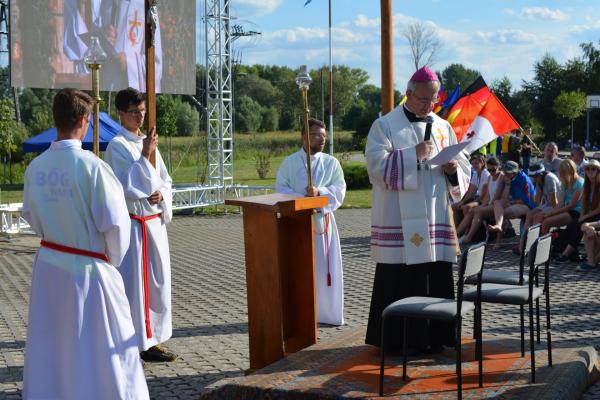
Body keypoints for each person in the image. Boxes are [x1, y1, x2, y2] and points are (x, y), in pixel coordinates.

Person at [21, 89, 149, 399]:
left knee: (53, 346)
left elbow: (31, 216)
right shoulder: (93, 167)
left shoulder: (35, 168)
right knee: (103, 351)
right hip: (89, 270)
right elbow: (116, 224)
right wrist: (111, 259)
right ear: (84, 120)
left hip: (49, 267)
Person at [364, 66, 471, 353]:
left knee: (434, 274)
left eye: (434, 100)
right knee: (399, 278)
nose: (430, 105)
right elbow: (375, 168)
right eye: (425, 100)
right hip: (398, 220)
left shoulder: (442, 126)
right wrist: (413, 155)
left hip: (435, 214)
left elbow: (463, 168)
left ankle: (436, 337)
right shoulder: (385, 125)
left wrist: (452, 169)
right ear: (408, 94)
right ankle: (399, 341)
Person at [104, 87, 175, 361]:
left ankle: (154, 337)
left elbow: (165, 180)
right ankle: (136, 341)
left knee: (158, 284)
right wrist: (145, 154)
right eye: (134, 112)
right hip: (135, 226)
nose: (140, 116)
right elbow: (124, 184)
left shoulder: (149, 142)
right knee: (137, 287)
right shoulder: (117, 146)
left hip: (154, 223)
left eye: (142, 111)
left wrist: (162, 194)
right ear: (121, 114)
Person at [275, 118, 346, 326]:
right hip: (297, 223)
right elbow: (281, 187)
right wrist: (301, 199)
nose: (321, 139)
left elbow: (339, 189)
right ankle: (298, 313)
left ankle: (326, 313)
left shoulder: (331, 163)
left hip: (322, 221)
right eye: (316, 135)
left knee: (325, 268)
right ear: (303, 136)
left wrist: (319, 193)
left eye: (324, 135)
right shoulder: (289, 163)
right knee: (300, 267)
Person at [63, 0, 162, 91]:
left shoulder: (146, 7)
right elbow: (90, 49)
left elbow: (156, 66)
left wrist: (128, 62)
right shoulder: (106, 4)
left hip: (133, 90)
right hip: (107, 86)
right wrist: (102, 36)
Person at [555, 159, 600, 262]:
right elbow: (584, 205)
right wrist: (582, 216)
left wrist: (584, 217)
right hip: (590, 214)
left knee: (580, 224)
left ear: (598, 171)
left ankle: (566, 254)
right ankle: (571, 252)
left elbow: (598, 209)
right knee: (574, 224)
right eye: (588, 169)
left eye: (594, 169)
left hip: (597, 215)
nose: (590, 171)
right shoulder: (587, 185)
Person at [487, 161, 537, 249]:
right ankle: (498, 225)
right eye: (504, 172)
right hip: (513, 203)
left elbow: (524, 200)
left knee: (501, 213)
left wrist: (511, 203)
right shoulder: (506, 179)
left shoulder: (524, 179)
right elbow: (504, 198)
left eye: (507, 172)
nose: (505, 174)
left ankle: (499, 238)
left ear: (514, 172)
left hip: (528, 206)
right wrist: (507, 185)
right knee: (497, 203)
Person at [457, 156, 503, 244]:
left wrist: (482, 205)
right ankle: (456, 235)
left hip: (497, 205)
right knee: (471, 210)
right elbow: (488, 196)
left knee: (475, 211)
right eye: (489, 170)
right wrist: (482, 205)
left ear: (498, 166)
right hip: (489, 203)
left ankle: (468, 237)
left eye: (493, 170)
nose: (491, 172)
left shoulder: (500, 176)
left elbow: (495, 196)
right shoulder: (490, 177)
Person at [534, 159, 583, 235]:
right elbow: (560, 203)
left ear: (569, 172)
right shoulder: (566, 182)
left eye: (562, 173)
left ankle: (541, 244)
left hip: (576, 212)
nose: (560, 175)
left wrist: (551, 213)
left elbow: (571, 206)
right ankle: (533, 240)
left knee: (547, 222)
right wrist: (551, 212)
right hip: (567, 210)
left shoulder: (579, 183)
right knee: (540, 216)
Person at [451, 154, 489, 227]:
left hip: (484, 200)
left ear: (483, 163)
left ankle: (466, 231)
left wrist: (465, 202)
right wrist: (462, 201)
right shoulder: (475, 174)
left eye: (476, 163)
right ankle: (456, 230)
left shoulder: (486, 174)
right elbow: (471, 192)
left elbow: (483, 196)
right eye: (473, 163)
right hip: (477, 198)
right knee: (454, 206)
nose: (474, 165)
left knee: (466, 207)